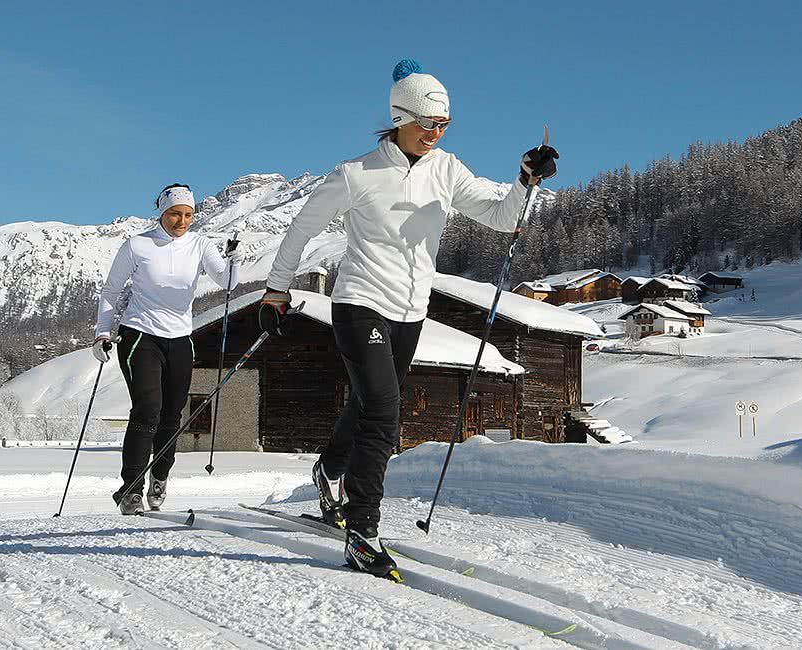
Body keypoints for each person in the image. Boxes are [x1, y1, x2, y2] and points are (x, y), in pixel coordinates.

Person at [260, 59, 559, 579]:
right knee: (384, 411)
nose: (435, 134)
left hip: (411, 311)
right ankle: (363, 529)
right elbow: (299, 231)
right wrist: (275, 291)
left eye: (444, 125)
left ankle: (329, 469)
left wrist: (525, 179)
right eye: (427, 125)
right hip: (359, 302)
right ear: (400, 117)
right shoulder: (355, 174)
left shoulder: (447, 169)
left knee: (371, 401)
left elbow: (503, 217)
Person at [93, 183, 235, 515]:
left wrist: (233, 259)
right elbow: (112, 290)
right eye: (175, 214)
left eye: (188, 214)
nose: (181, 221)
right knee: (148, 409)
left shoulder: (200, 245)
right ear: (162, 213)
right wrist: (102, 333)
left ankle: (160, 475)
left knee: (172, 414)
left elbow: (227, 282)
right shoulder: (137, 245)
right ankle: (130, 489)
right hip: (140, 335)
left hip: (180, 338)